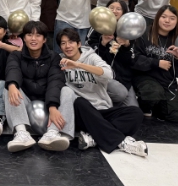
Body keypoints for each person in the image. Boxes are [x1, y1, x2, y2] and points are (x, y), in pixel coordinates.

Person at [59, 28, 147, 156]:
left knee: (136, 113)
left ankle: (93, 137)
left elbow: (108, 73)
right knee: (80, 102)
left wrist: (78, 65)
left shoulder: (91, 57)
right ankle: (122, 142)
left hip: (102, 109)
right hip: (81, 113)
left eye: (71, 42)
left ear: (79, 44)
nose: (67, 46)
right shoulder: (59, 62)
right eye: (63, 43)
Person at [4, 21, 66, 152]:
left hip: (47, 103)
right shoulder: (16, 55)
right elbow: (13, 70)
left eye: (38, 35)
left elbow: (55, 81)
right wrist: (12, 85)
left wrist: (52, 106)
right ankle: (22, 133)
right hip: (24, 103)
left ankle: (52, 133)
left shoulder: (54, 57)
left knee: (67, 91)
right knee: (9, 86)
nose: (33, 39)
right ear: (24, 38)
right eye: (29, 35)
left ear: (44, 39)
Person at [132, 5, 178, 122]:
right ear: (157, 18)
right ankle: (144, 105)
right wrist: (156, 63)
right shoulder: (144, 34)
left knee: (176, 116)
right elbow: (134, 59)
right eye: (164, 17)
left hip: (166, 81)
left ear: (177, 22)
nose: (167, 21)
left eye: (172, 18)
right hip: (145, 77)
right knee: (153, 92)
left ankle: (157, 105)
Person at [87, 0, 138, 107]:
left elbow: (131, 61)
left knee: (134, 110)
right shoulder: (98, 27)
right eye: (111, 8)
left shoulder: (130, 30)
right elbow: (89, 54)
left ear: (124, 12)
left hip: (123, 77)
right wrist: (103, 44)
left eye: (118, 9)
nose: (114, 11)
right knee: (120, 94)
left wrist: (126, 46)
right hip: (102, 76)